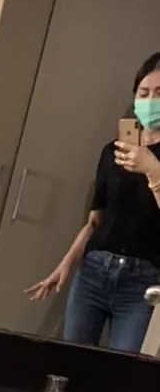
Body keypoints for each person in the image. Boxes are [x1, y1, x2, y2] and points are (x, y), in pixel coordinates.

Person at [28, 53, 160, 353]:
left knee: (124, 369)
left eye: (159, 93)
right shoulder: (113, 151)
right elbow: (95, 220)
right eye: (143, 93)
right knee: (73, 361)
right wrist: (65, 265)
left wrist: (152, 168)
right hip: (93, 272)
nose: (150, 100)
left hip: (143, 284)